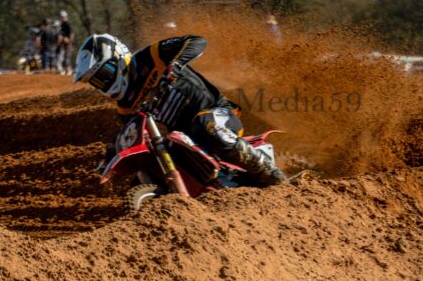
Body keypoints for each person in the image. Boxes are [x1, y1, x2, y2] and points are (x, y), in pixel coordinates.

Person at [73, 33, 287, 186]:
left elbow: (196, 41)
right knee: (156, 157)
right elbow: (133, 133)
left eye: (103, 75)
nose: (103, 83)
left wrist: (177, 63)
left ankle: (268, 172)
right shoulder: (125, 106)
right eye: (96, 82)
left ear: (117, 58)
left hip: (217, 113)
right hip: (186, 138)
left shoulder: (150, 57)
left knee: (204, 125)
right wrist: (111, 153)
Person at [56, 10, 73, 75]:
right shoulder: (62, 25)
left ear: (65, 17)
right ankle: (65, 70)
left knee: (67, 58)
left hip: (68, 44)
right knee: (63, 58)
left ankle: (69, 70)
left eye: (62, 17)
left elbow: (71, 35)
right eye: (61, 17)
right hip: (64, 45)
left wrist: (69, 43)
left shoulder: (67, 24)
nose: (61, 18)